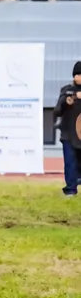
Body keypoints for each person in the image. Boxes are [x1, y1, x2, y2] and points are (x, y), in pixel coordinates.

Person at [56, 61, 81, 196]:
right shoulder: (67, 90)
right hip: (69, 134)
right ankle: (71, 189)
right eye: (78, 74)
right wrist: (68, 101)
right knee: (70, 162)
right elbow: (57, 111)